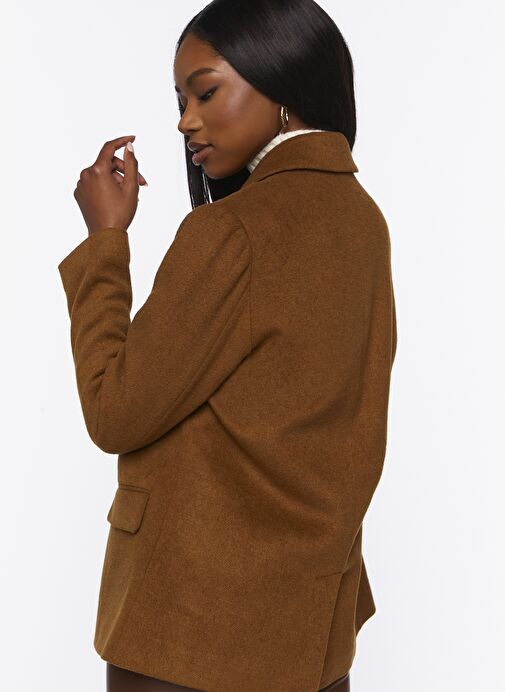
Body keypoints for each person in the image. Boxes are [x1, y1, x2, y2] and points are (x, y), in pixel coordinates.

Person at [58, 1, 397, 690]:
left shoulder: (232, 232)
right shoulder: (362, 221)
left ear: (284, 86)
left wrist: (105, 243)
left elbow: (114, 412)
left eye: (205, 92)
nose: (186, 121)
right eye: (180, 100)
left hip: (189, 635)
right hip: (309, 635)